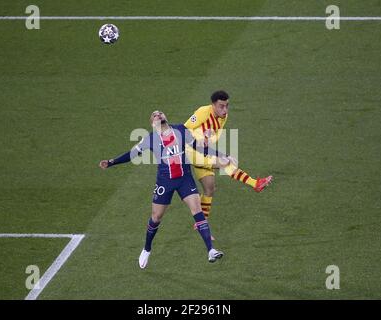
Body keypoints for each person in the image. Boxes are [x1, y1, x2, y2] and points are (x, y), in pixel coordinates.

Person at [99, 111, 230, 269]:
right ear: (152, 123)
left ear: (165, 117)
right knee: (156, 217)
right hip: (165, 181)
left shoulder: (181, 130)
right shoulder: (150, 138)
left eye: (160, 113)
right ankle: (147, 249)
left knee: (197, 210)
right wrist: (111, 162)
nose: (158, 114)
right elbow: (132, 154)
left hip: (184, 179)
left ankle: (210, 250)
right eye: (154, 115)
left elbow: (199, 148)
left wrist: (221, 155)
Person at [184, 90, 273, 230]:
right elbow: (184, 129)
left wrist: (210, 142)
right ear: (213, 105)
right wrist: (201, 140)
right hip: (192, 151)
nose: (225, 110)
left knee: (210, 188)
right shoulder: (203, 112)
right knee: (226, 163)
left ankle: (201, 223)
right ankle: (255, 183)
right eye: (221, 106)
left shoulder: (223, 117)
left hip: (205, 152)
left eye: (227, 106)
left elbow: (213, 136)